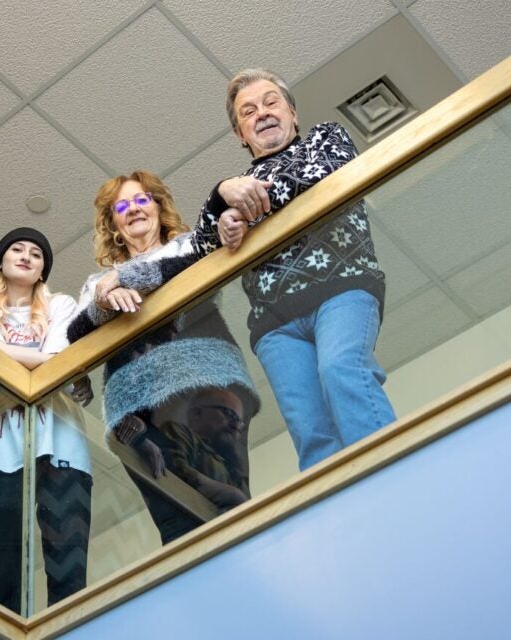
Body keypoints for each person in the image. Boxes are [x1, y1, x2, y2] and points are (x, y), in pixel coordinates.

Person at [104, 69, 395, 471]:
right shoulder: (232, 192)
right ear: (240, 134)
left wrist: (242, 207)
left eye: (271, 102)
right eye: (248, 112)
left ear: (293, 113)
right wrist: (221, 196)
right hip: (275, 324)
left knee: (341, 370)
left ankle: (395, 476)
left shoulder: (324, 138)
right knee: (309, 429)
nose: (262, 113)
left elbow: (324, 173)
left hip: (341, 291)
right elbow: (201, 246)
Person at [68, 171, 260, 545]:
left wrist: (132, 276)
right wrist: (106, 300)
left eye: (142, 200)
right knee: (173, 519)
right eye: (122, 206)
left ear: (158, 207)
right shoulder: (98, 283)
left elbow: (199, 263)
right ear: (114, 225)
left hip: (207, 389)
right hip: (135, 411)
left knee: (230, 501)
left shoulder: (187, 246)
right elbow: (75, 335)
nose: (133, 209)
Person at [0, 228, 94, 613]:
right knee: (2, 568)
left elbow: (54, 360)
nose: (26, 256)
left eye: (36, 253)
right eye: (17, 249)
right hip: (1, 451)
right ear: (0, 261)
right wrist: (44, 363)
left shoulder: (62, 305)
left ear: (42, 270)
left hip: (64, 446)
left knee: (68, 568)